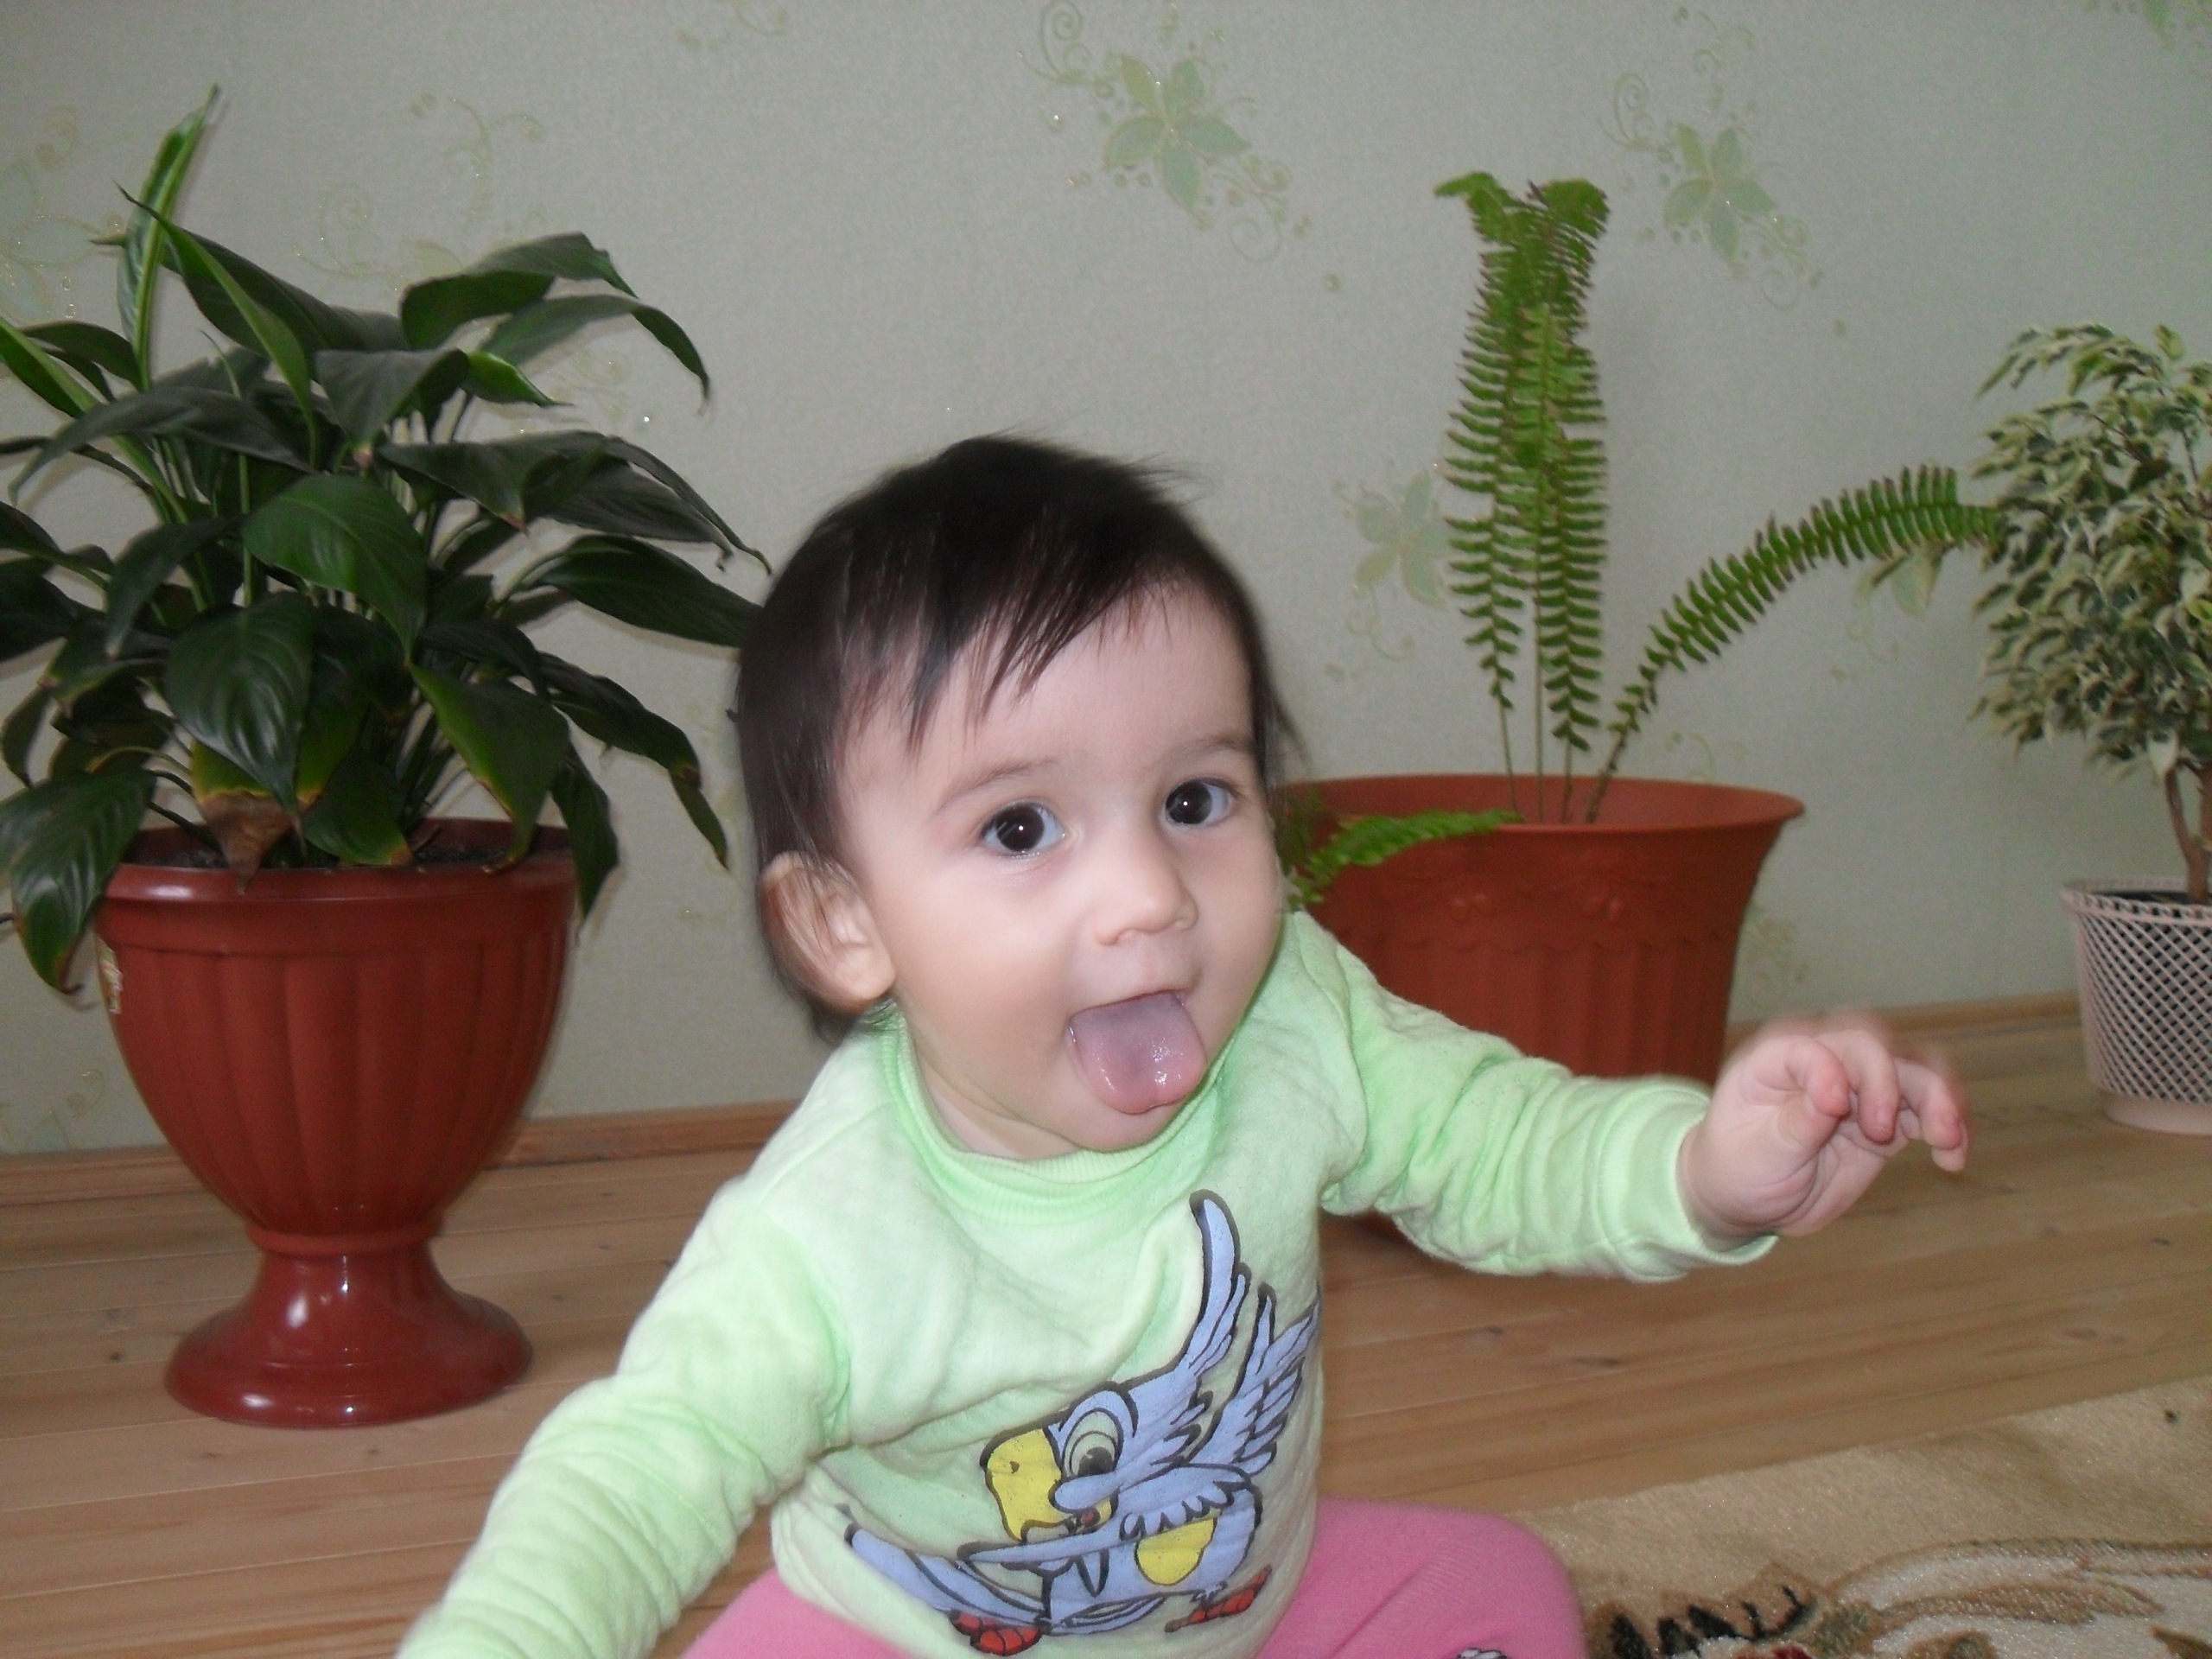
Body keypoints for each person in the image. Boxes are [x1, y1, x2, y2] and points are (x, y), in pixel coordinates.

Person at [399, 436, 1968, 1659]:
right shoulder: (824, 1236)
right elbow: (639, 1468)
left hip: (1241, 1613)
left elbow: (1499, 1141)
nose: (1150, 895)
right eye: (1022, 827)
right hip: (909, 1638)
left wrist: (1700, 1167)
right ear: (847, 923)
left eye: (1196, 800)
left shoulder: (1294, 1017)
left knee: (1498, 1589)